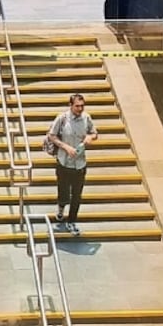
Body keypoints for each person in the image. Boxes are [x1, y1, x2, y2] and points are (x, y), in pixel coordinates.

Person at [45, 93, 98, 235]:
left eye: (82, 106)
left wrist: (90, 137)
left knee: (77, 194)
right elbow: (52, 135)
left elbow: (94, 133)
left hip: (80, 164)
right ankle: (61, 210)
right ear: (71, 105)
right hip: (64, 162)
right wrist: (65, 147)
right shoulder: (62, 119)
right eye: (77, 106)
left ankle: (72, 221)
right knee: (63, 191)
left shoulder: (86, 118)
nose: (80, 109)